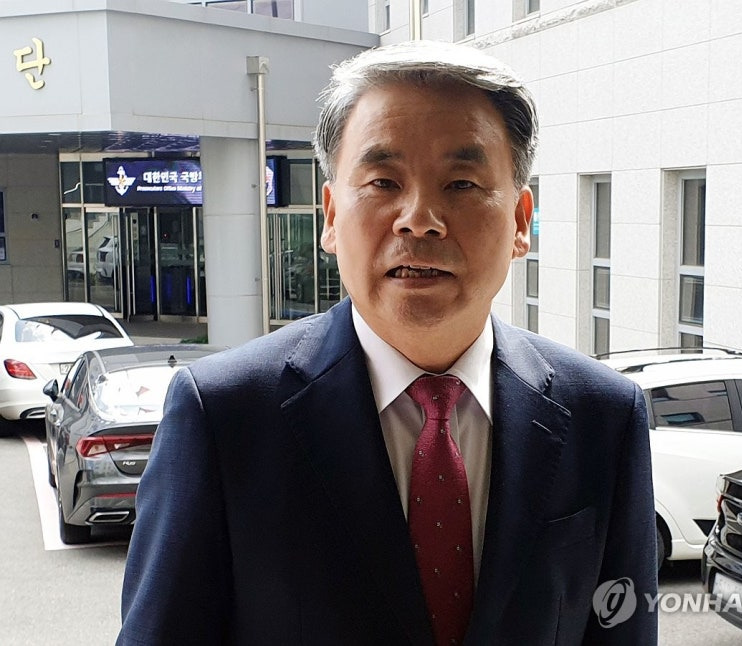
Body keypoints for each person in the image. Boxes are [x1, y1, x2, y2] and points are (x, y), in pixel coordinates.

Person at [117, 40, 657, 645]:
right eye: (382, 181)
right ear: (330, 215)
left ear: (520, 220)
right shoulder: (224, 417)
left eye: (461, 183)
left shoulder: (603, 417)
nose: (419, 218)